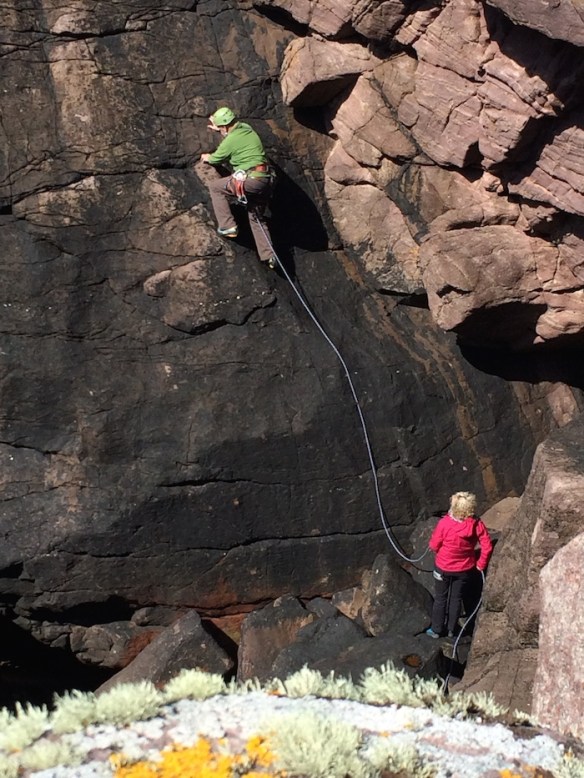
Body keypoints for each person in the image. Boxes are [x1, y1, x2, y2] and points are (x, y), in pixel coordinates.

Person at [200, 107, 277, 269]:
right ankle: (269, 255)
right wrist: (220, 128)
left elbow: (216, 158)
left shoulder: (231, 140)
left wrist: (208, 157)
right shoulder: (247, 129)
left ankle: (227, 226)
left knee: (215, 187)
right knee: (256, 217)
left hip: (251, 180)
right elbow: (232, 132)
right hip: (265, 180)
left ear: (225, 127)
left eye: (221, 128)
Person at [425, 491, 493, 639]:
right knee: (456, 598)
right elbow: (487, 546)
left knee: (440, 598)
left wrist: (436, 549)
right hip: (464, 569)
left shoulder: (445, 524)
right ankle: (451, 629)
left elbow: (435, 544)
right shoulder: (476, 524)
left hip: (443, 567)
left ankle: (436, 630)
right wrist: (481, 564)